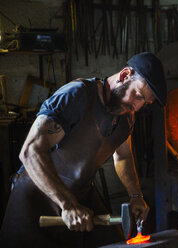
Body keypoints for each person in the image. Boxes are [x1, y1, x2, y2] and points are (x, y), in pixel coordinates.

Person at [0, 52, 167, 247]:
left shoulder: (126, 115)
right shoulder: (76, 95)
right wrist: (67, 204)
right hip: (36, 197)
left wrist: (136, 196)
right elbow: (30, 151)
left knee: (114, 242)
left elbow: (123, 157)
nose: (137, 107)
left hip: (79, 197)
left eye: (144, 102)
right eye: (137, 95)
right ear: (124, 75)